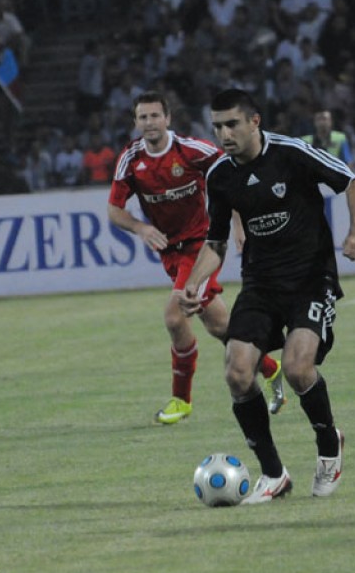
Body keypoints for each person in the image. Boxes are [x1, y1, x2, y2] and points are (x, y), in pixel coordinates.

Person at [180, 89, 355, 504]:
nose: (224, 134)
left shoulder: (292, 153)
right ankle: (273, 474)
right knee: (237, 373)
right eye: (217, 127)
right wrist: (194, 283)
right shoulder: (219, 176)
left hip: (310, 279)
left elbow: (353, 182)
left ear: (254, 122)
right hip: (260, 284)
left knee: (299, 369)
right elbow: (215, 242)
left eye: (232, 124)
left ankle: (329, 444)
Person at [108, 91, 285, 425]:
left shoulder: (193, 151)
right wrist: (141, 228)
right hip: (170, 253)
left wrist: (238, 223)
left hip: (202, 247)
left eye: (155, 116)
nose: (149, 122)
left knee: (175, 318)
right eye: (143, 117)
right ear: (136, 122)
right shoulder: (131, 159)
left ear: (167, 118)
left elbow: (232, 176)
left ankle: (181, 400)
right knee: (220, 326)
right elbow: (114, 210)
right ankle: (270, 367)